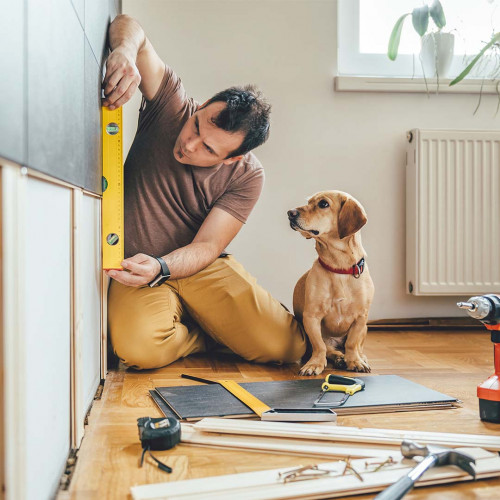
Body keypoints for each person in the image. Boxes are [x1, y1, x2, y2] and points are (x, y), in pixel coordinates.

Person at [103, 14, 306, 370]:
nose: (189, 144)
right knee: (139, 351)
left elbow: (208, 246)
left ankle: (215, 325)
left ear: (232, 159)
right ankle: (206, 334)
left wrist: (164, 266)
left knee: (287, 347)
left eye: (209, 149)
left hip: (195, 265)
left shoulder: (247, 176)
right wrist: (124, 50)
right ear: (199, 108)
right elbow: (130, 26)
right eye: (197, 125)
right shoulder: (171, 106)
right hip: (135, 266)